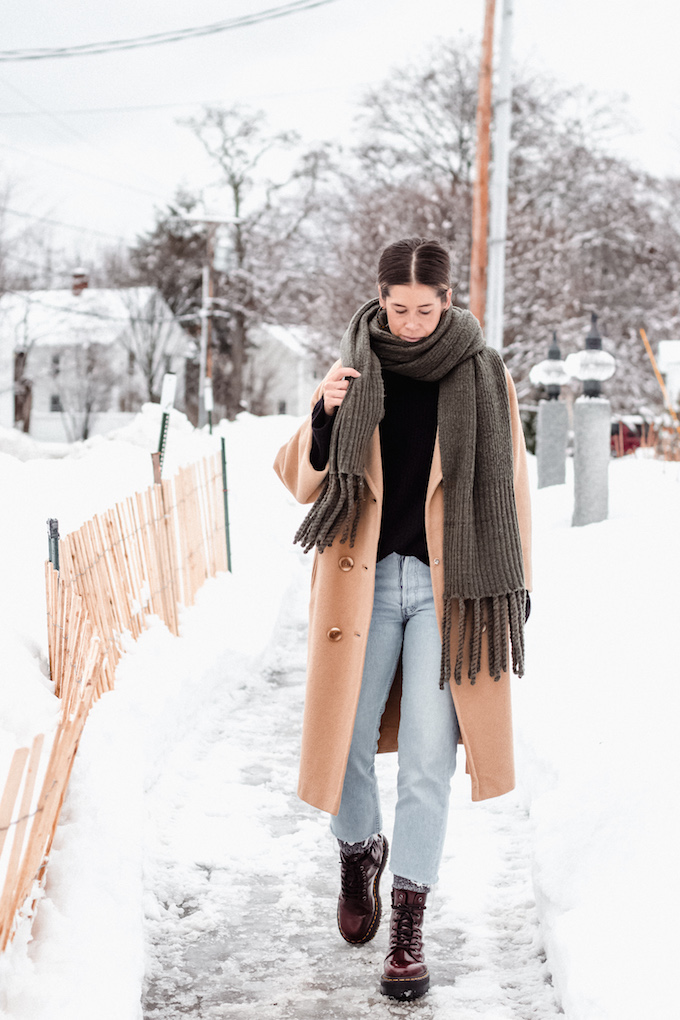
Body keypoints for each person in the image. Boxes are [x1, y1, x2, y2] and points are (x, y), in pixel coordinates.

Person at [274, 237, 532, 1001]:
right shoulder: (355, 368)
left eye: (424, 309)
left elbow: (513, 487)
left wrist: (515, 586)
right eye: (398, 308)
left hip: (452, 591)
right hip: (364, 584)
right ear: (380, 299)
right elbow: (297, 479)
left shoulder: (484, 374)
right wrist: (323, 416)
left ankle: (409, 926)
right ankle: (359, 848)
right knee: (345, 739)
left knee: (427, 759)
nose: (410, 322)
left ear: (448, 301)